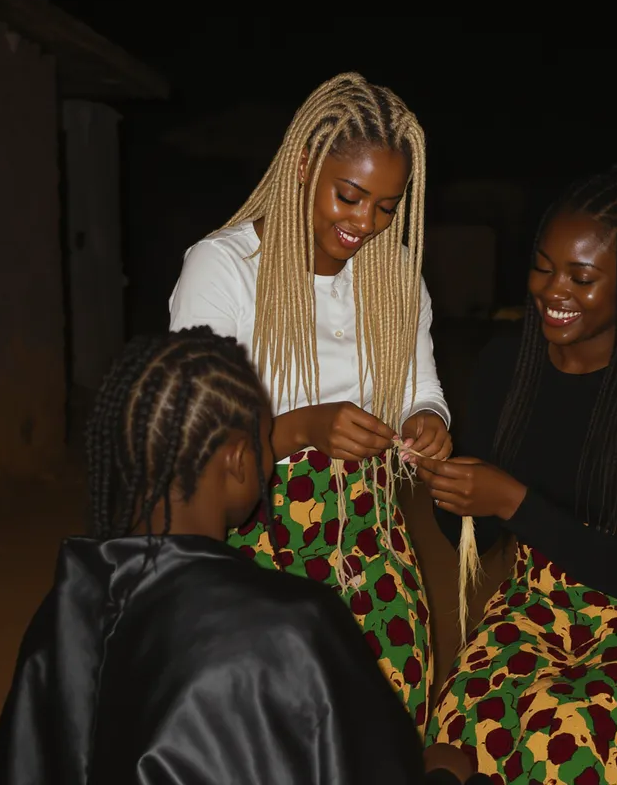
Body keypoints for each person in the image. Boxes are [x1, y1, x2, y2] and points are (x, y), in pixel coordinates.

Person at [0, 327, 484, 785]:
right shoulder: (294, 623)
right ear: (241, 463)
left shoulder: (64, 607)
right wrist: (440, 774)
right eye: (266, 441)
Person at [413, 160, 617, 783]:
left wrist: (513, 501)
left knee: (576, 733)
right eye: (543, 266)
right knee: (467, 720)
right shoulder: (504, 363)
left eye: (581, 276)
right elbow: (478, 539)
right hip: (538, 599)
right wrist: (451, 485)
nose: (552, 290)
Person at [168, 72, 452, 729]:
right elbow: (190, 447)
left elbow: (424, 391)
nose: (366, 223)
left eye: (387, 206)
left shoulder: (396, 277)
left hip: (369, 543)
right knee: (269, 736)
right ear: (303, 164)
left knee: (382, 728)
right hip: (247, 544)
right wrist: (299, 430)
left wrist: (426, 422)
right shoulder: (223, 269)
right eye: (349, 196)